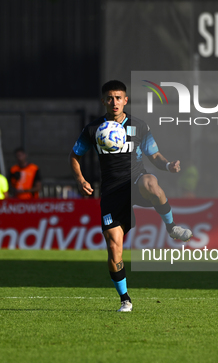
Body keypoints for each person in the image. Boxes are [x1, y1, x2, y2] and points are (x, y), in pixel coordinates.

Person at [69, 80, 192, 313]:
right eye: (109, 98)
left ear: (125, 100)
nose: (114, 102)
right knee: (114, 247)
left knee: (152, 183)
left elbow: (153, 154)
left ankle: (172, 227)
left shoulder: (138, 126)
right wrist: (81, 180)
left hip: (136, 181)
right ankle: (125, 298)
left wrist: (167, 166)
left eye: (118, 97)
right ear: (103, 101)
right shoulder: (93, 129)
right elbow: (74, 156)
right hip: (112, 192)